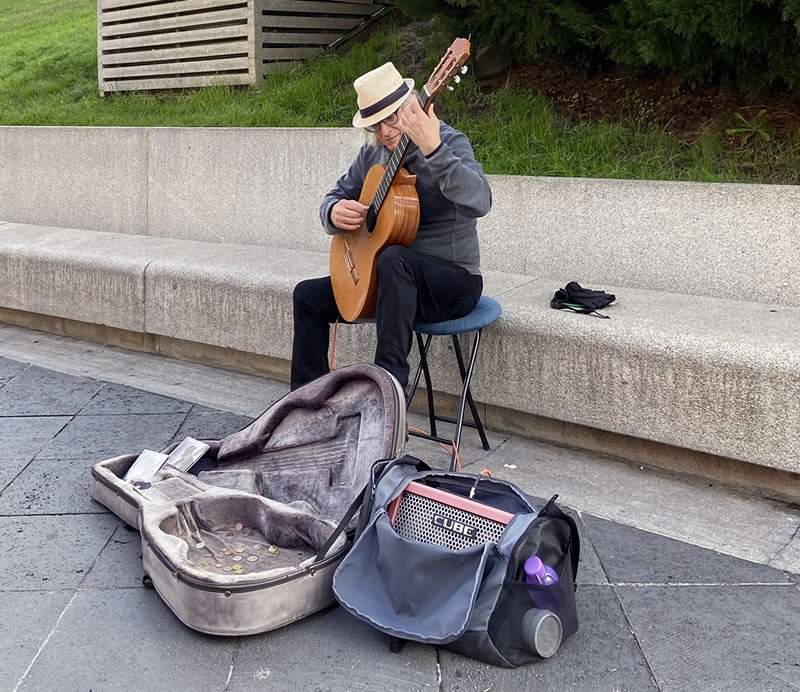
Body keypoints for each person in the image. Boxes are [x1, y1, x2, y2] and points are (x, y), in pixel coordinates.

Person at [291, 61, 492, 391]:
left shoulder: (450, 143)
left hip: (454, 282)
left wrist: (433, 149)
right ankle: (304, 408)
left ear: (413, 106)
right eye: (375, 125)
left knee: (394, 259)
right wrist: (333, 212)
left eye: (393, 117)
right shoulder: (372, 155)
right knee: (308, 296)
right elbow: (333, 196)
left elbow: (481, 201)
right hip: (391, 286)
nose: (385, 131)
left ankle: (387, 391)